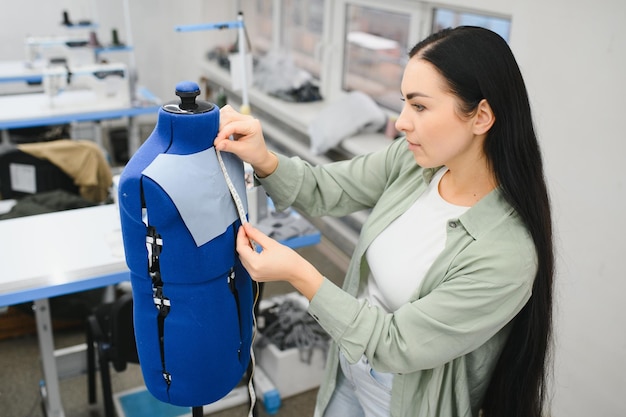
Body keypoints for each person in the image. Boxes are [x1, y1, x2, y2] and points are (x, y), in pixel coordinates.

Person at [214, 26, 553, 417]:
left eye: (420, 106)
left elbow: (396, 344)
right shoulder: (414, 163)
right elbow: (326, 187)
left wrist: (299, 274)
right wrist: (264, 158)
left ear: (481, 117)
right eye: (404, 103)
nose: (402, 122)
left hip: (404, 399)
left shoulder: (507, 255)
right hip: (350, 364)